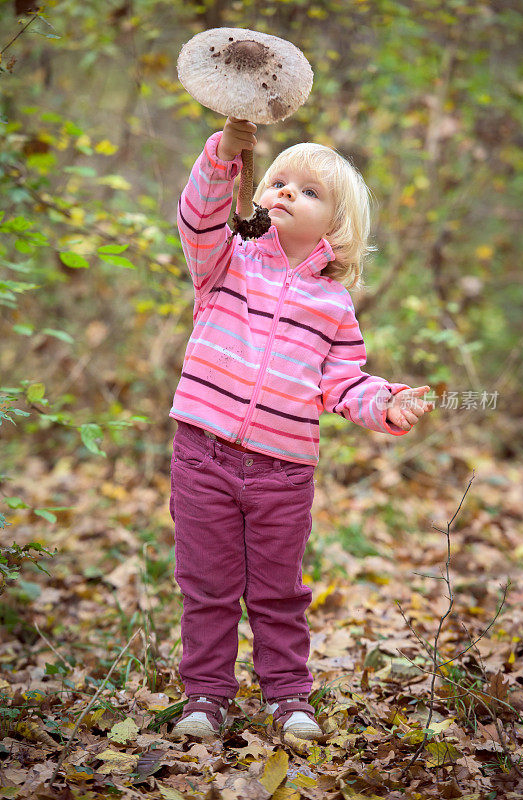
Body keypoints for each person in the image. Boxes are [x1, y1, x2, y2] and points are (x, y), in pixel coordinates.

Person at [168, 117, 434, 740]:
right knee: (207, 585)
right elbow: (198, 216)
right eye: (279, 181)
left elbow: (343, 382)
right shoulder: (224, 262)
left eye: (309, 191)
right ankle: (205, 698)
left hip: (283, 472)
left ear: (336, 227)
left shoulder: (332, 306)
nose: (286, 192)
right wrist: (224, 154)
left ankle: (288, 698)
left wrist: (386, 403)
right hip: (202, 453)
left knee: (278, 591)